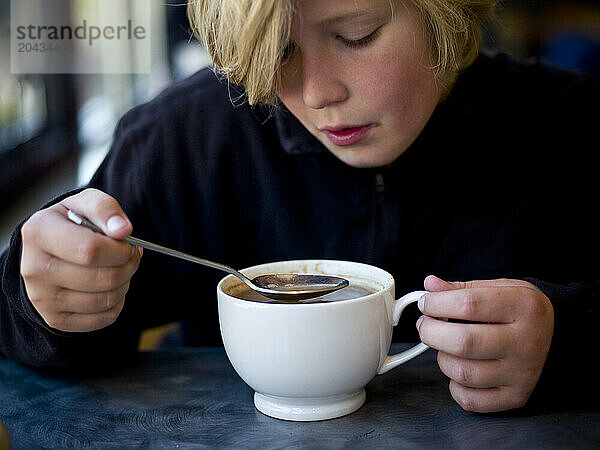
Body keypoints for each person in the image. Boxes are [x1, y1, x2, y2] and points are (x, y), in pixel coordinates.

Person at [1, 0, 598, 414]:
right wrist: (44, 302)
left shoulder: (569, 129)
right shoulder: (183, 140)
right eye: (277, 50)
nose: (316, 93)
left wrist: (570, 338)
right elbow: (23, 334)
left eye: (356, 34)